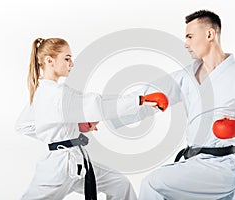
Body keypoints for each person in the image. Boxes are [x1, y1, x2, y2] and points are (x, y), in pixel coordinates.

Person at [137, 10, 235, 200]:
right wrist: (141, 99)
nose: (186, 44)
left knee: (153, 183)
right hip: (195, 164)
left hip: (223, 167)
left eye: (190, 36)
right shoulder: (187, 76)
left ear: (210, 34)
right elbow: (147, 91)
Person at [15, 38, 168, 200]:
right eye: (67, 59)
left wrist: (70, 128)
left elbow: (24, 125)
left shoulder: (41, 92)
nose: (71, 64)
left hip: (76, 162)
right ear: (49, 61)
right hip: (59, 167)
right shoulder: (57, 94)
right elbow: (99, 105)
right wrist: (140, 100)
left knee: (119, 184)